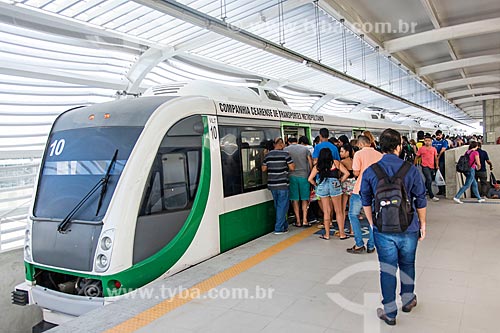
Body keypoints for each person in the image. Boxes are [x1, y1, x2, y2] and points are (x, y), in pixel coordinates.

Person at [361, 128, 427, 326]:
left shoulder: (371, 171)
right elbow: (421, 199)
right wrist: (422, 224)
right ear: (399, 146)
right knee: (407, 264)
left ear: (381, 147)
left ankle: (390, 312)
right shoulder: (410, 169)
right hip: (409, 227)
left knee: (388, 269)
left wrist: (373, 223)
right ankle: (408, 300)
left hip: (383, 229)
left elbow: (365, 200)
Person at [346, 135, 382, 254]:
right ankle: (371, 246)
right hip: (375, 190)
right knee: (373, 218)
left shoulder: (359, 154)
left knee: (353, 214)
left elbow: (356, 172)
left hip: (361, 189)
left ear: (360, 144)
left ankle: (359, 244)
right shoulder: (379, 155)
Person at [308, 148, 349, 240]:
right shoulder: (335, 162)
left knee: (326, 211)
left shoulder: (318, 165)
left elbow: (310, 179)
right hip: (335, 185)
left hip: (322, 185)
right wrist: (340, 181)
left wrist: (316, 185)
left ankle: (327, 234)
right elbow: (346, 173)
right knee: (338, 211)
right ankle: (342, 234)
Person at [262, 138, 295, 234]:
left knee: (278, 206)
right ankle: (279, 228)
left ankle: (284, 226)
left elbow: (263, 169)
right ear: (280, 144)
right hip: (283, 184)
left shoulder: (267, 155)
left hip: (272, 184)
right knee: (283, 206)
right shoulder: (285, 154)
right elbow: (292, 168)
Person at [284, 137, 313, 227]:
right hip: (304, 177)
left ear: (289, 142)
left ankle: (298, 221)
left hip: (292, 177)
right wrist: (311, 174)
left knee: (295, 200)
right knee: (305, 199)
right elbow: (310, 163)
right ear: (297, 141)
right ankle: (304, 220)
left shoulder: (285, 149)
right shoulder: (305, 149)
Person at [415, 134, 439, 201]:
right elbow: (417, 156)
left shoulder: (433, 149)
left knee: (428, 180)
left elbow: (436, 158)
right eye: (426, 141)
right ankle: (431, 195)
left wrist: (437, 165)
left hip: (432, 166)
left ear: (431, 141)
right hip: (424, 166)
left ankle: (423, 191)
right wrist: (414, 165)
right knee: (429, 179)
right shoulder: (421, 149)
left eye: (429, 141)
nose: (427, 142)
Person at [340, 144, 355, 234]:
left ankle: (341, 229)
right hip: (354, 184)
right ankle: (352, 230)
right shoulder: (354, 161)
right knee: (352, 209)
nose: (340, 153)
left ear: (347, 152)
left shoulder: (342, 162)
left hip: (345, 185)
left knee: (342, 209)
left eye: (342, 151)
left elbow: (340, 174)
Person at [432, 130, 449, 195]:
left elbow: (443, 149)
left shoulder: (444, 141)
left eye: (439, 135)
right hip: (435, 160)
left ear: (441, 135)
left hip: (442, 160)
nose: (438, 136)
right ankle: (440, 190)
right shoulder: (434, 142)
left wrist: (438, 156)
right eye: (437, 135)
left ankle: (444, 190)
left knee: (442, 174)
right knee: (437, 175)